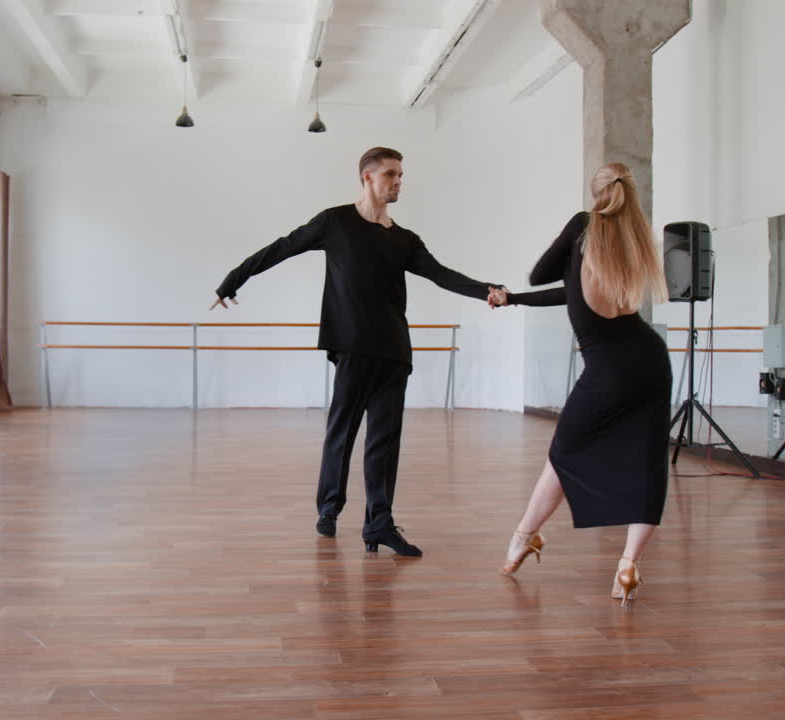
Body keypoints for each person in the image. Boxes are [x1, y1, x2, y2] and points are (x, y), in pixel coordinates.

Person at [211, 147, 504, 557]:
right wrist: (232, 280)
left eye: (401, 174)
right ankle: (329, 509)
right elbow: (283, 247)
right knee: (342, 432)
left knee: (385, 441)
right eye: (391, 174)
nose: (399, 181)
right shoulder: (336, 222)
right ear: (367, 177)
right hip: (351, 346)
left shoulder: (404, 239)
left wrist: (485, 290)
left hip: (394, 352)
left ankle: (379, 524)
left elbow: (441, 274)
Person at [488, 162, 671, 606]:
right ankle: (628, 566)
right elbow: (570, 290)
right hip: (650, 361)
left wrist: (568, 242)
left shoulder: (583, 226)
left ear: (595, 195)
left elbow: (543, 275)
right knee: (649, 463)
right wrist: (513, 300)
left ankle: (523, 537)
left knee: (563, 454)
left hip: (608, 370)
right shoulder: (631, 241)